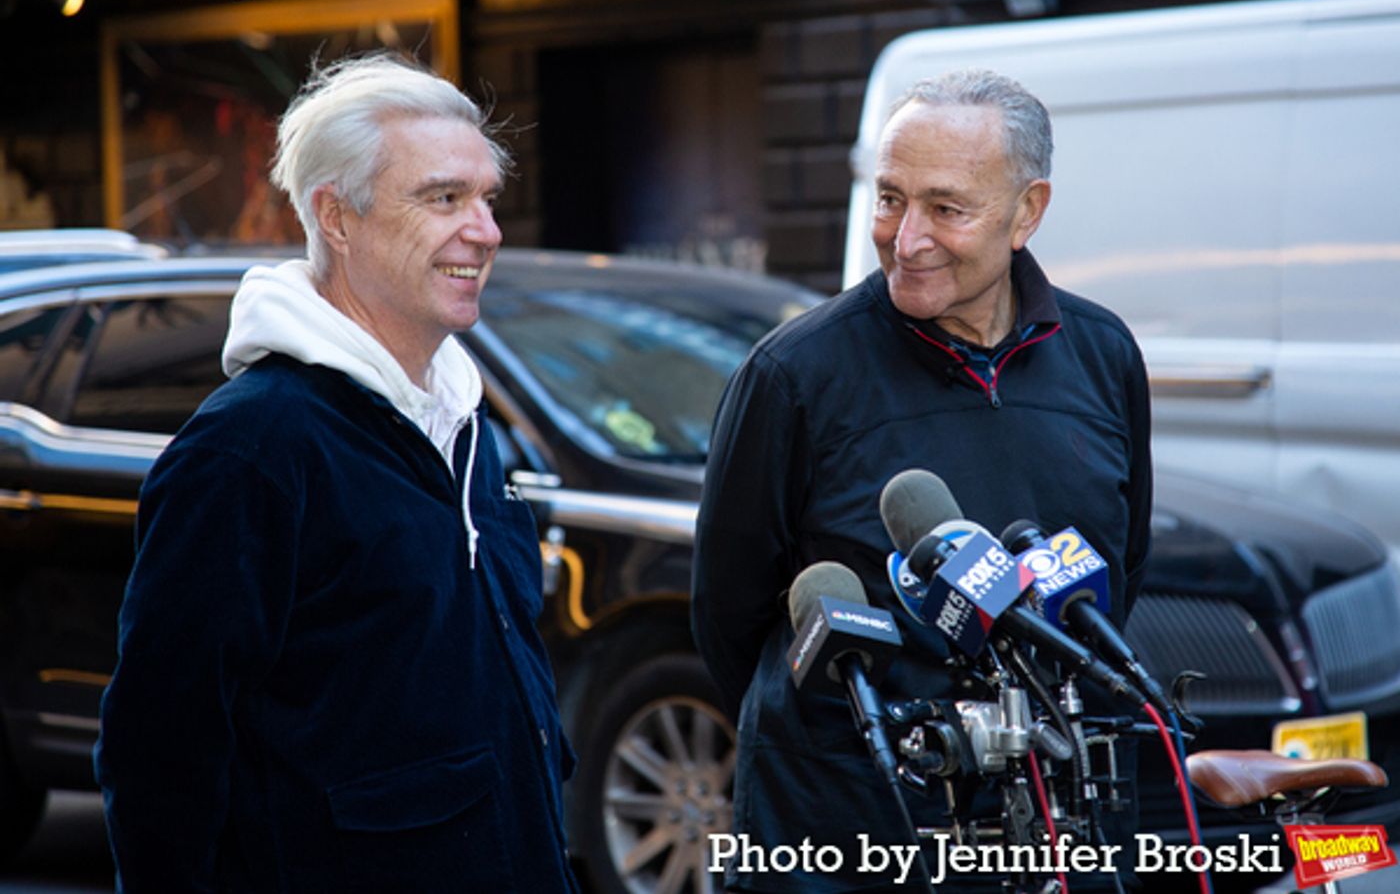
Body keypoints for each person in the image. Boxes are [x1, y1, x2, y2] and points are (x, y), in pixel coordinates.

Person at [95, 55, 579, 893]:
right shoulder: (250, 448)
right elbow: (159, 753)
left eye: (487, 198)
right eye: (443, 198)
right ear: (336, 216)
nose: (486, 230)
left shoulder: (463, 424)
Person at [692, 69, 1152, 892]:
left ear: (1027, 212)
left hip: (1053, 826)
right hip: (845, 832)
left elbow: (1123, 565)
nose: (905, 240)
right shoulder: (794, 374)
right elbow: (729, 613)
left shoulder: (1104, 354)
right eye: (889, 199)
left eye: (945, 208)